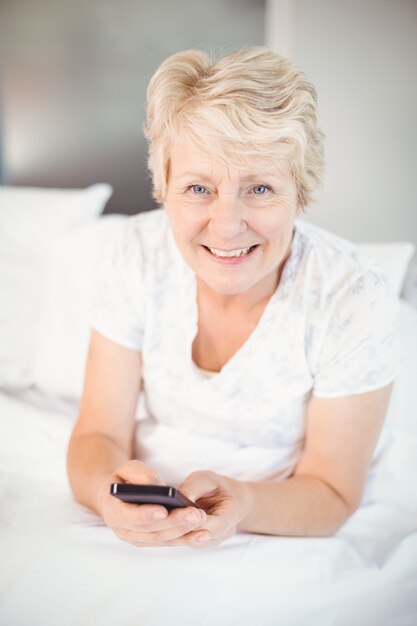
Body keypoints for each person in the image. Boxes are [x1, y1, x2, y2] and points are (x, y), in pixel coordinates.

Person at [67, 47, 401, 549]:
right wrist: (106, 494)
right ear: (164, 188)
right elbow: (97, 436)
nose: (226, 226)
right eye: (199, 188)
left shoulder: (353, 295)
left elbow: (332, 494)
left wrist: (242, 502)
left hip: (284, 524)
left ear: (300, 192)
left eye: (261, 188)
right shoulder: (135, 254)